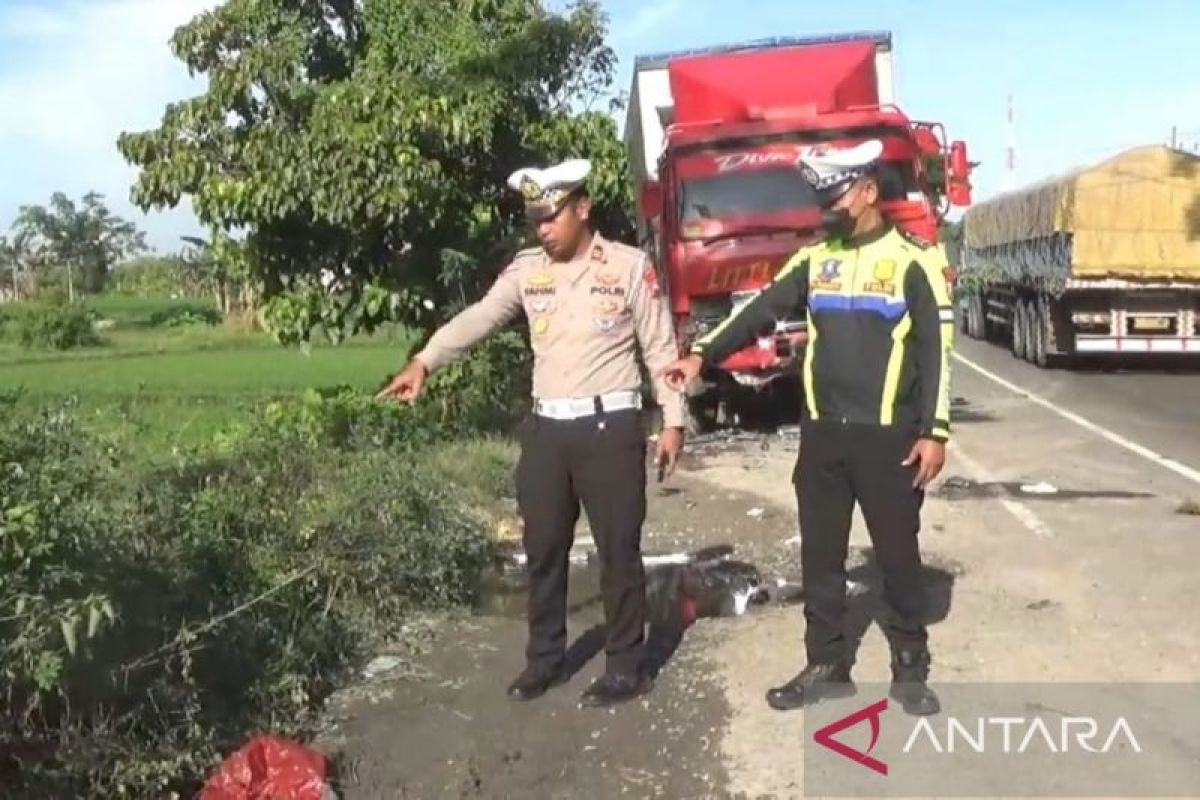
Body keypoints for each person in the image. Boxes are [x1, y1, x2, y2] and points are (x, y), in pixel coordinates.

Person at [377, 158, 686, 708]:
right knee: (543, 548)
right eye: (535, 220)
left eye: (551, 216)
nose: (542, 228)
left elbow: (661, 348)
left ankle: (625, 666)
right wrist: (424, 361)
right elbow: (480, 317)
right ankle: (545, 660)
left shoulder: (628, 267)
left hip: (609, 427)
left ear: (582, 209)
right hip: (548, 431)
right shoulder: (526, 271)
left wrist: (674, 420)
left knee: (618, 551)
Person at [662, 139, 954, 716]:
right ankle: (827, 664)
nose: (827, 206)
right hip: (823, 437)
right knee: (821, 557)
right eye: (822, 195)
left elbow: (936, 350)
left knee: (897, 556)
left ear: (869, 191)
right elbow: (759, 310)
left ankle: (910, 665)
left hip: (888, 437)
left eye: (836, 194)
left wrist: (934, 431)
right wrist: (702, 355)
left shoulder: (912, 259)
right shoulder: (817, 259)